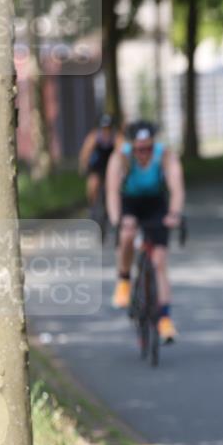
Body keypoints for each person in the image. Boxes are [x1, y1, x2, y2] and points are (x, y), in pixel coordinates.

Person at [106, 120, 185, 343]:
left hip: (155, 203)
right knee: (127, 234)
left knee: (159, 261)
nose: (144, 153)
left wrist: (175, 213)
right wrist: (116, 220)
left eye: (148, 148)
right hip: (130, 202)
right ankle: (123, 281)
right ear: (132, 146)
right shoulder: (120, 157)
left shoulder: (165, 156)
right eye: (140, 149)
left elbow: (176, 189)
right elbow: (112, 192)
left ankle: (165, 320)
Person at [78, 114, 116, 208]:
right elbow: (85, 152)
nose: (106, 131)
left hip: (110, 165)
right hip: (97, 166)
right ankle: (92, 205)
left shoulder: (115, 137)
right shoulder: (94, 136)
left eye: (108, 128)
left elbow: (121, 150)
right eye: (104, 128)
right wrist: (83, 165)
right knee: (93, 184)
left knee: (112, 186)